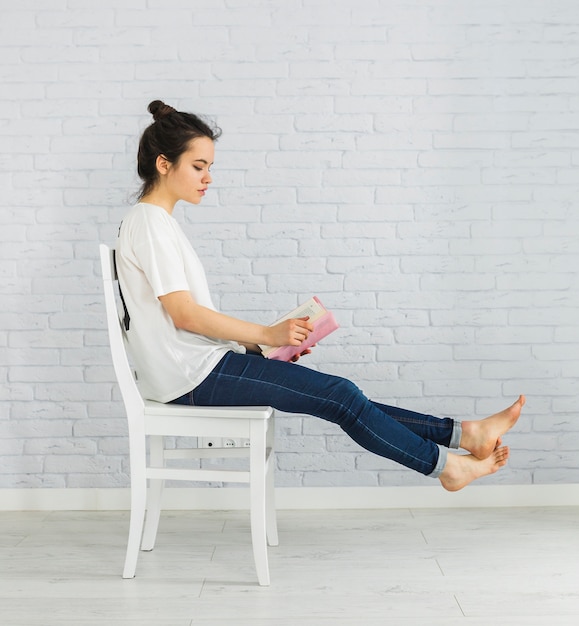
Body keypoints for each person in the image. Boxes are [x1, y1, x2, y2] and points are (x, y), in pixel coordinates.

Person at [116, 100, 525, 492]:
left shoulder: (155, 223)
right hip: (189, 376)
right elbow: (185, 315)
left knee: (342, 396)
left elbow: (181, 320)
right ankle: (449, 466)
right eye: (199, 166)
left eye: (210, 167)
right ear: (164, 164)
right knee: (339, 395)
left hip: (193, 368)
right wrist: (268, 334)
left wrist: (259, 346)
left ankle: (464, 435)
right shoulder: (150, 223)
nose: (208, 177)